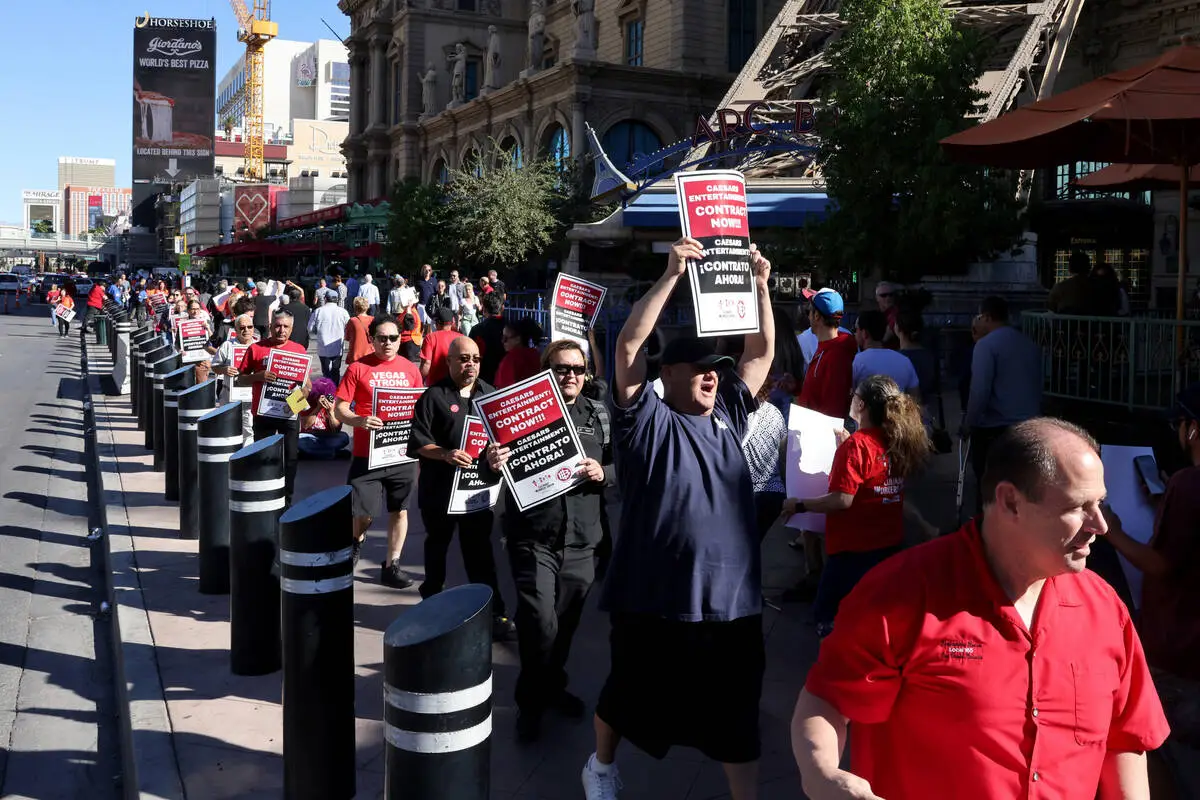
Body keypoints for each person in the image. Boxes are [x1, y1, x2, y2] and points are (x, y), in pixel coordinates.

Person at [791, 418, 1170, 800]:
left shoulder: (1105, 610)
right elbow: (828, 699)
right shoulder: (903, 594)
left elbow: (1125, 736)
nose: (1101, 525)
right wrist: (821, 775)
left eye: (1100, 503)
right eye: (1078, 506)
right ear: (1009, 502)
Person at [581, 237, 774, 800]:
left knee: (738, 718)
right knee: (627, 697)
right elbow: (627, 349)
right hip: (654, 597)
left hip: (733, 602)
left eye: (717, 368)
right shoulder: (647, 422)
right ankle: (601, 767)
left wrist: (761, 284)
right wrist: (669, 276)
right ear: (668, 374)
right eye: (700, 369)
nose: (714, 376)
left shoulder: (731, 414)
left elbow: (759, 354)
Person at [485, 339, 613, 742]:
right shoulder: (521, 415)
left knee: (566, 625)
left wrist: (604, 472)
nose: (570, 375)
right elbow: (488, 472)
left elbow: (625, 466)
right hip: (532, 537)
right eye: (561, 369)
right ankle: (531, 701)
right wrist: (491, 463)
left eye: (577, 369)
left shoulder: (598, 415)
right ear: (546, 372)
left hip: (582, 538)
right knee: (539, 622)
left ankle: (551, 687)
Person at [1103, 385, 1200, 795]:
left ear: (1193, 429)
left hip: (1179, 651)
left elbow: (1160, 564)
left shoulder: (1188, 484)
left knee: (1165, 756)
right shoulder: (1180, 488)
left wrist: (1114, 531)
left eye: (1179, 424)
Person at [782, 375, 930, 636]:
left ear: (861, 405)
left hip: (852, 551)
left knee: (829, 620)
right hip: (888, 546)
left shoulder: (857, 446)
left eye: (854, 395)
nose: (851, 397)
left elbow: (842, 500)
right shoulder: (893, 440)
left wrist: (799, 505)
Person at [407, 336, 515, 639]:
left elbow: (503, 440)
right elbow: (417, 443)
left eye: (476, 359)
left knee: (480, 555)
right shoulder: (434, 396)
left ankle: (494, 613)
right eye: (464, 359)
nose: (471, 364)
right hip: (439, 491)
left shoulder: (491, 395)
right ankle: (433, 607)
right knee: (437, 549)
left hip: (476, 494)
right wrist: (445, 453)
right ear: (450, 362)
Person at [335, 315, 425, 588]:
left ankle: (392, 565)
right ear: (372, 339)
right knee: (364, 513)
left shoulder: (411, 369)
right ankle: (356, 540)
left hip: (401, 454)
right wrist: (358, 420)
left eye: (393, 338)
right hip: (367, 454)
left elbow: (420, 408)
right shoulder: (357, 368)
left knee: (400, 510)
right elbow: (340, 408)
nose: (388, 343)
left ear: (400, 340)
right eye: (382, 338)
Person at [964, 295, 1042, 511]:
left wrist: (969, 422)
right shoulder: (1028, 343)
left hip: (995, 429)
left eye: (978, 317)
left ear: (987, 317)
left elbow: (979, 390)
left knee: (990, 487)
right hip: (1029, 425)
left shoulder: (986, 346)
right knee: (1020, 485)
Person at [237, 309, 312, 504]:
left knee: (291, 457)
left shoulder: (299, 350)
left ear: (292, 328)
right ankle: (266, 494)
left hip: (291, 410)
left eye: (285, 326)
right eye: (277, 326)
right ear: (270, 326)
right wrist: (258, 376)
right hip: (264, 411)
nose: (281, 330)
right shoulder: (256, 348)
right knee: (265, 456)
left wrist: (305, 392)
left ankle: (287, 498)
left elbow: (307, 382)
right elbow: (240, 379)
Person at [797, 289, 857, 420]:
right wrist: (795, 387)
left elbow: (833, 412)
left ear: (817, 316)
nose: (808, 316)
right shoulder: (829, 347)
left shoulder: (837, 357)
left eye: (809, 312)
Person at [850, 309, 919, 400]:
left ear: (864, 333)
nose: (854, 333)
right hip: (897, 413)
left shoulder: (856, 362)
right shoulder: (904, 361)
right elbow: (915, 398)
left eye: (855, 329)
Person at [212, 312, 258, 444]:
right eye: (242, 328)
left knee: (249, 429)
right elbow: (214, 367)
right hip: (230, 397)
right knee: (228, 429)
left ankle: (246, 458)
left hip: (250, 397)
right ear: (236, 330)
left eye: (249, 327)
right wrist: (224, 370)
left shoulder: (259, 346)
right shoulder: (227, 345)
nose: (246, 330)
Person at [298, 377, 350, 459]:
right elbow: (305, 425)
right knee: (297, 441)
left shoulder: (335, 401)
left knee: (344, 437)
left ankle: (310, 454)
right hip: (309, 435)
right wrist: (318, 408)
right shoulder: (301, 397)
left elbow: (336, 429)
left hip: (328, 436)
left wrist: (330, 411)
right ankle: (332, 454)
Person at [309, 292, 350, 381]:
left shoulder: (318, 311)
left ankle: (327, 391)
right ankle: (335, 390)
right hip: (337, 346)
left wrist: (318, 331)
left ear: (325, 299)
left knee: (326, 371)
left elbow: (310, 328)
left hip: (323, 346)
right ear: (337, 300)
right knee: (336, 370)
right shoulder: (343, 312)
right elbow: (349, 328)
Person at [494, 318, 544, 388]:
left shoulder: (510, 359)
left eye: (505, 338)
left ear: (518, 339)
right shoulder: (537, 355)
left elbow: (504, 388)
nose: (502, 341)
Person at [419, 307, 463, 385]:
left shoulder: (430, 337)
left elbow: (426, 364)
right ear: (452, 322)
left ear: (437, 323)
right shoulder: (461, 337)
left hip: (434, 385)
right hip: (455, 384)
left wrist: (420, 380)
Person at [471, 291, 507, 384]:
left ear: (484, 310)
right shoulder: (513, 328)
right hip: (508, 380)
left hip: (484, 380)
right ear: (502, 307)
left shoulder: (477, 330)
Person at [343, 296, 374, 368]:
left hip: (356, 354)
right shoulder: (373, 320)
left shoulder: (352, 321)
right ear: (367, 307)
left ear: (355, 307)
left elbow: (347, 337)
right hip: (370, 353)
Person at [284, 286, 310, 350]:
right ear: (299, 297)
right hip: (302, 334)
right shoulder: (306, 308)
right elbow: (307, 321)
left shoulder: (285, 308)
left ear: (290, 297)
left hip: (289, 334)